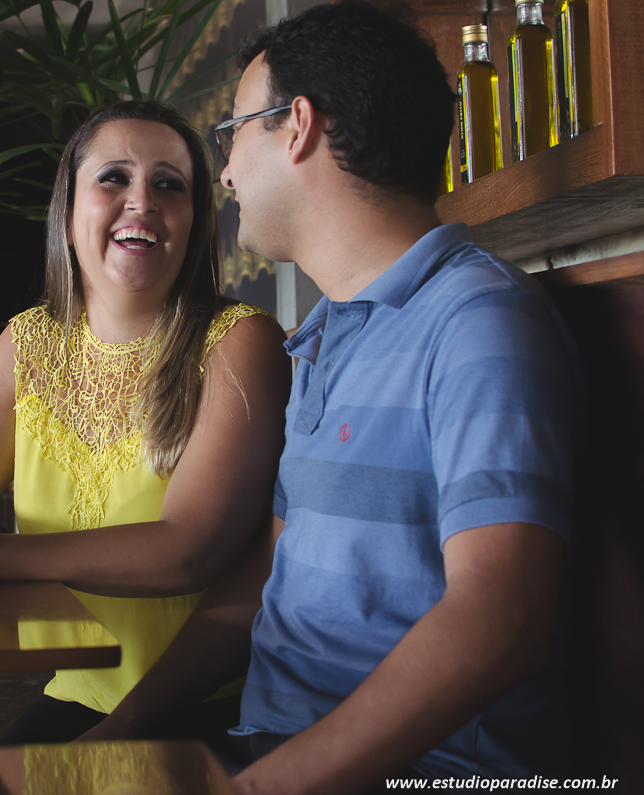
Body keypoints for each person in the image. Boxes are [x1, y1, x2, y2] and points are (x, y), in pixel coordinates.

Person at [77, 4, 583, 791]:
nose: (228, 172)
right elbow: (271, 574)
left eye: (233, 133)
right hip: (268, 741)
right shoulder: (323, 334)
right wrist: (124, 726)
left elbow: (500, 621)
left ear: (298, 125)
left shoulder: (478, 323)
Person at [0, 101, 291, 747]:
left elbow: (188, 550)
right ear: (68, 210)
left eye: (170, 184)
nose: (143, 201)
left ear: (194, 223)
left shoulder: (240, 342)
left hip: (213, 706)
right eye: (114, 177)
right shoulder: (30, 342)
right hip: (75, 693)